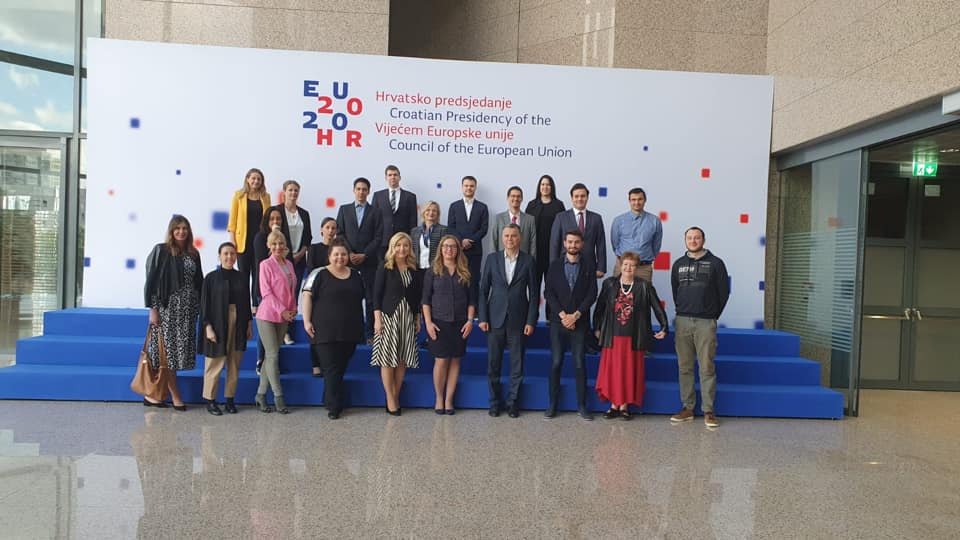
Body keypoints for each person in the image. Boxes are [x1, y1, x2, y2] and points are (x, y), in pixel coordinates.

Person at [593, 252, 668, 420]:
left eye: (632, 265)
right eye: (625, 264)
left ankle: (624, 406)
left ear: (636, 268)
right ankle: (613, 405)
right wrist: (596, 328)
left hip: (633, 337)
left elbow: (657, 307)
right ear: (620, 266)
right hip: (612, 336)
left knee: (628, 372)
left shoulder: (644, 286)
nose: (628, 268)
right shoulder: (609, 284)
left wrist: (664, 326)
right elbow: (599, 308)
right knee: (613, 371)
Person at [670, 226, 730, 428]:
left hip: (705, 322)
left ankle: (708, 410)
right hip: (682, 321)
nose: (693, 241)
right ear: (685, 240)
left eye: (697, 238)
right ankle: (687, 408)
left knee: (706, 366)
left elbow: (723, 293)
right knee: (684, 367)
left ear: (703, 240)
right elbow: (675, 291)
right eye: (689, 237)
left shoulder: (716, 263)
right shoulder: (678, 264)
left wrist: (711, 315)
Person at [478, 224, 538, 418]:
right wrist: (482, 317)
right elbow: (483, 290)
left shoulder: (528, 261)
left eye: (513, 236)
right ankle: (494, 403)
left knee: (517, 366)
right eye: (506, 236)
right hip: (494, 319)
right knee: (493, 365)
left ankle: (513, 403)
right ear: (502, 238)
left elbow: (534, 294)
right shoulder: (492, 259)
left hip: (519, 321)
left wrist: (531, 320)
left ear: (520, 238)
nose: (510, 239)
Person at [143, 214, 203, 410]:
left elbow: (199, 282)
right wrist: (153, 309)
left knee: (175, 356)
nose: (181, 232)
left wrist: (201, 309)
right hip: (167, 310)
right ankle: (176, 397)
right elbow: (152, 282)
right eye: (177, 228)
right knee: (166, 354)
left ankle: (154, 396)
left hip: (187, 311)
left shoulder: (194, 253)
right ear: (171, 231)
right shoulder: (161, 250)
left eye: (184, 228)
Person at [302, 238, 365, 419]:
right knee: (331, 368)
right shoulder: (318, 273)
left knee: (340, 367)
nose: (340, 257)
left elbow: (361, 299)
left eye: (343, 254)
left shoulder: (356, 275)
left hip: (350, 331)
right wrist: (306, 321)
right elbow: (306, 296)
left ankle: (327, 397)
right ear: (329, 256)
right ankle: (334, 406)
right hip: (324, 331)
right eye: (336, 254)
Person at [543, 229, 597, 420]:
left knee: (579, 363)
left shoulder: (589, 265)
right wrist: (563, 316)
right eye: (570, 242)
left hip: (580, 322)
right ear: (564, 243)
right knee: (556, 362)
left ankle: (582, 406)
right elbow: (548, 293)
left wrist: (575, 316)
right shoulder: (554, 265)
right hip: (558, 322)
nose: (573, 245)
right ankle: (552, 404)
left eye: (576, 242)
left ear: (581, 244)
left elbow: (592, 294)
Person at [422, 234, 476, 415]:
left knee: (455, 361)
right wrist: (428, 323)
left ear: (458, 250)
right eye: (445, 246)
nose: (449, 249)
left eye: (452, 246)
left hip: (460, 323)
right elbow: (425, 300)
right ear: (440, 249)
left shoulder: (465, 271)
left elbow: (472, 300)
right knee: (441, 360)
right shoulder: (432, 271)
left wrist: (470, 321)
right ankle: (439, 398)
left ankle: (449, 400)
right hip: (438, 323)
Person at [370, 232, 423, 416]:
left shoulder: (414, 269)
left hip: (407, 317)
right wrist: (377, 319)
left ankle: (395, 395)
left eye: (405, 245)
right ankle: (390, 399)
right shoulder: (385, 267)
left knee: (402, 358)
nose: (402, 249)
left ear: (410, 248)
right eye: (398, 245)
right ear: (393, 247)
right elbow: (376, 296)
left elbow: (416, 297)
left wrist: (417, 318)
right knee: (387, 359)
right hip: (388, 317)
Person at [199, 242, 252, 416]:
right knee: (214, 363)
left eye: (232, 254)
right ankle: (210, 400)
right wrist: (208, 327)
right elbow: (204, 305)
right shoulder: (210, 278)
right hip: (217, 322)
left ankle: (230, 399)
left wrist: (249, 324)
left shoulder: (242, 277)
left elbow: (246, 303)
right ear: (219, 256)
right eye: (226, 254)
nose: (229, 257)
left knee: (234, 363)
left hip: (239, 322)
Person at [255, 230, 298, 414]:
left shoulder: (289, 264)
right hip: (267, 315)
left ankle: (260, 395)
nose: (278, 247)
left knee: (270, 356)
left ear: (285, 245)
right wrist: (283, 311)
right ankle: (278, 397)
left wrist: (293, 308)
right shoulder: (265, 265)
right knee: (272, 355)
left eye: (280, 243)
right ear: (268, 246)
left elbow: (291, 290)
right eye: (274, 244)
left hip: (284, 316)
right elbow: (266, 293)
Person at [336, 177, 383, 341]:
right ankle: (351, 333)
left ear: (368, 192)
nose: (361, 192)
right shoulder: (344, 210)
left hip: (369, 262)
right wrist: (349, 253)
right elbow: (340, 233)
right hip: (347, 262)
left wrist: (365, 254)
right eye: (358, 189)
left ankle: (370, 334)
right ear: (353, 190)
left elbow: (378, 237)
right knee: (348, 299)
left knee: (370, 300)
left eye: (364, 189)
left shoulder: (376, 212)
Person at [272, 180, 312, 345]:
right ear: (284, 192)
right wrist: (287, 255)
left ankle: (287, 331)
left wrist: (300, 254)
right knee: (279, 294)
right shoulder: (276, 211)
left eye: (296, 190)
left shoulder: (304, 213)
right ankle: (278, 330)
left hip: (299, 260)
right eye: (290, 190)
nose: (293, 193)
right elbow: (273, 237)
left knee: (292, 296)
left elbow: (308, 237)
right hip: (281, 259)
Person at [549, 183, 607, 278]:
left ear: (587, 198)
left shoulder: (596, 218)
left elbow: (601, 244)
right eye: (576, 196)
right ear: (572, 198)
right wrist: (553, 267)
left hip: (589, 266)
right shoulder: (561, 217)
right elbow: (554, 244)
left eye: (583, 196)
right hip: (565, 265)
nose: (580, 199)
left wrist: (601, 268)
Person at [525, 174, 566, 306]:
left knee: (552, 287)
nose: (545, 187)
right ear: (539, 187)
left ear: (552, 187)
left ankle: (551, 315)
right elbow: (526, 229)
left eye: (548, 184)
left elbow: (563, 230)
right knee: (533, 287)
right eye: (543, 184)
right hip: (534, 253)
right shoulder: (532, 205)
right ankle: (533, 315)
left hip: (553, 254)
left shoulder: (559, 205)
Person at [251, 206, 283, 374]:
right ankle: (260, 360)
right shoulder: (260, 238)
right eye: (272, 219)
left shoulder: (284, 238)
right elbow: (262, 263)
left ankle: (273, 362)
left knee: (277, 331)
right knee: (265, 327)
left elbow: (286, 261)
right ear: (266, 221)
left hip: (281, 292)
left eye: (278, 219)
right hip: (265, 290)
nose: (275, 222)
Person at [227, 168, 271, 286]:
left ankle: (256, 299)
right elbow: (232, 220)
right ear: (247, 179)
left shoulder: (266, 197)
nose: (256, 181)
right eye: (253, 178)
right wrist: (232, 239)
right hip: (243, 242)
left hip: (260, 241)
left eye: (259, 179)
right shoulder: (238, 196)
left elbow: (269, 219)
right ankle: (243, 298)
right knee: (243, 275)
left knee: (259, 275)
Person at [447, 175, 489, 294]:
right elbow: (451, 227)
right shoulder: (454, 206)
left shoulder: (482, 207)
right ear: (462, 187)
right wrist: (461, 241)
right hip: (457, 250)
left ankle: (474, 305)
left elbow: (484, 229)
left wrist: (470, 241)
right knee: (457, 280)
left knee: (474, 281)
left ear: (475, 188)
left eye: (471, 186)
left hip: (475, 251)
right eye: (466, 186)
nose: (469, 188)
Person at [610, 187, 662, 281]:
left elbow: (656, 245)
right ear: (629, 201)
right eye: (633, 199)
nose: (637, 202)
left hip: (644, 268)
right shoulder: (618, 221)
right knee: (618, 290)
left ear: (645, 200)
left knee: (644, 291)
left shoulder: (655, 221)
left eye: (640, 199)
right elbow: (615, 244)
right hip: (622, 267)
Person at [372, 165, 418, 259]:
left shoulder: (410, 197)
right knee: (383, 266)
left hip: (402, 242)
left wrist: (410, 240)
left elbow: (413, 221)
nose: (393, 177)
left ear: (399, 177)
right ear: (386, 178)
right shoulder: (378, 196)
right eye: (390, 175)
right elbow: (373, 219)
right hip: (383, 241)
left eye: (395, 175)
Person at [490, 186, 536, 257]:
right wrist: (494, 260)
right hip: (502, 259)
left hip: (524, 260)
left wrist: (532, 261)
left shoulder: (530, 219)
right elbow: (493, 241)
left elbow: (533, 244)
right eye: (513, 196)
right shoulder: (498, 218)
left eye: (518, 196)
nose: (516, 199)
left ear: (522, 199)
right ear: (508, 198)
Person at [410, 201, 449, 270]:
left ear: (438, 214)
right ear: (423, 212)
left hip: (435, 269)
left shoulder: (443, 230)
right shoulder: (414, 231)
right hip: (417, 268)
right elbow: (412, 251)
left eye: (434, 211)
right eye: (428, 210)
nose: (431, 213)